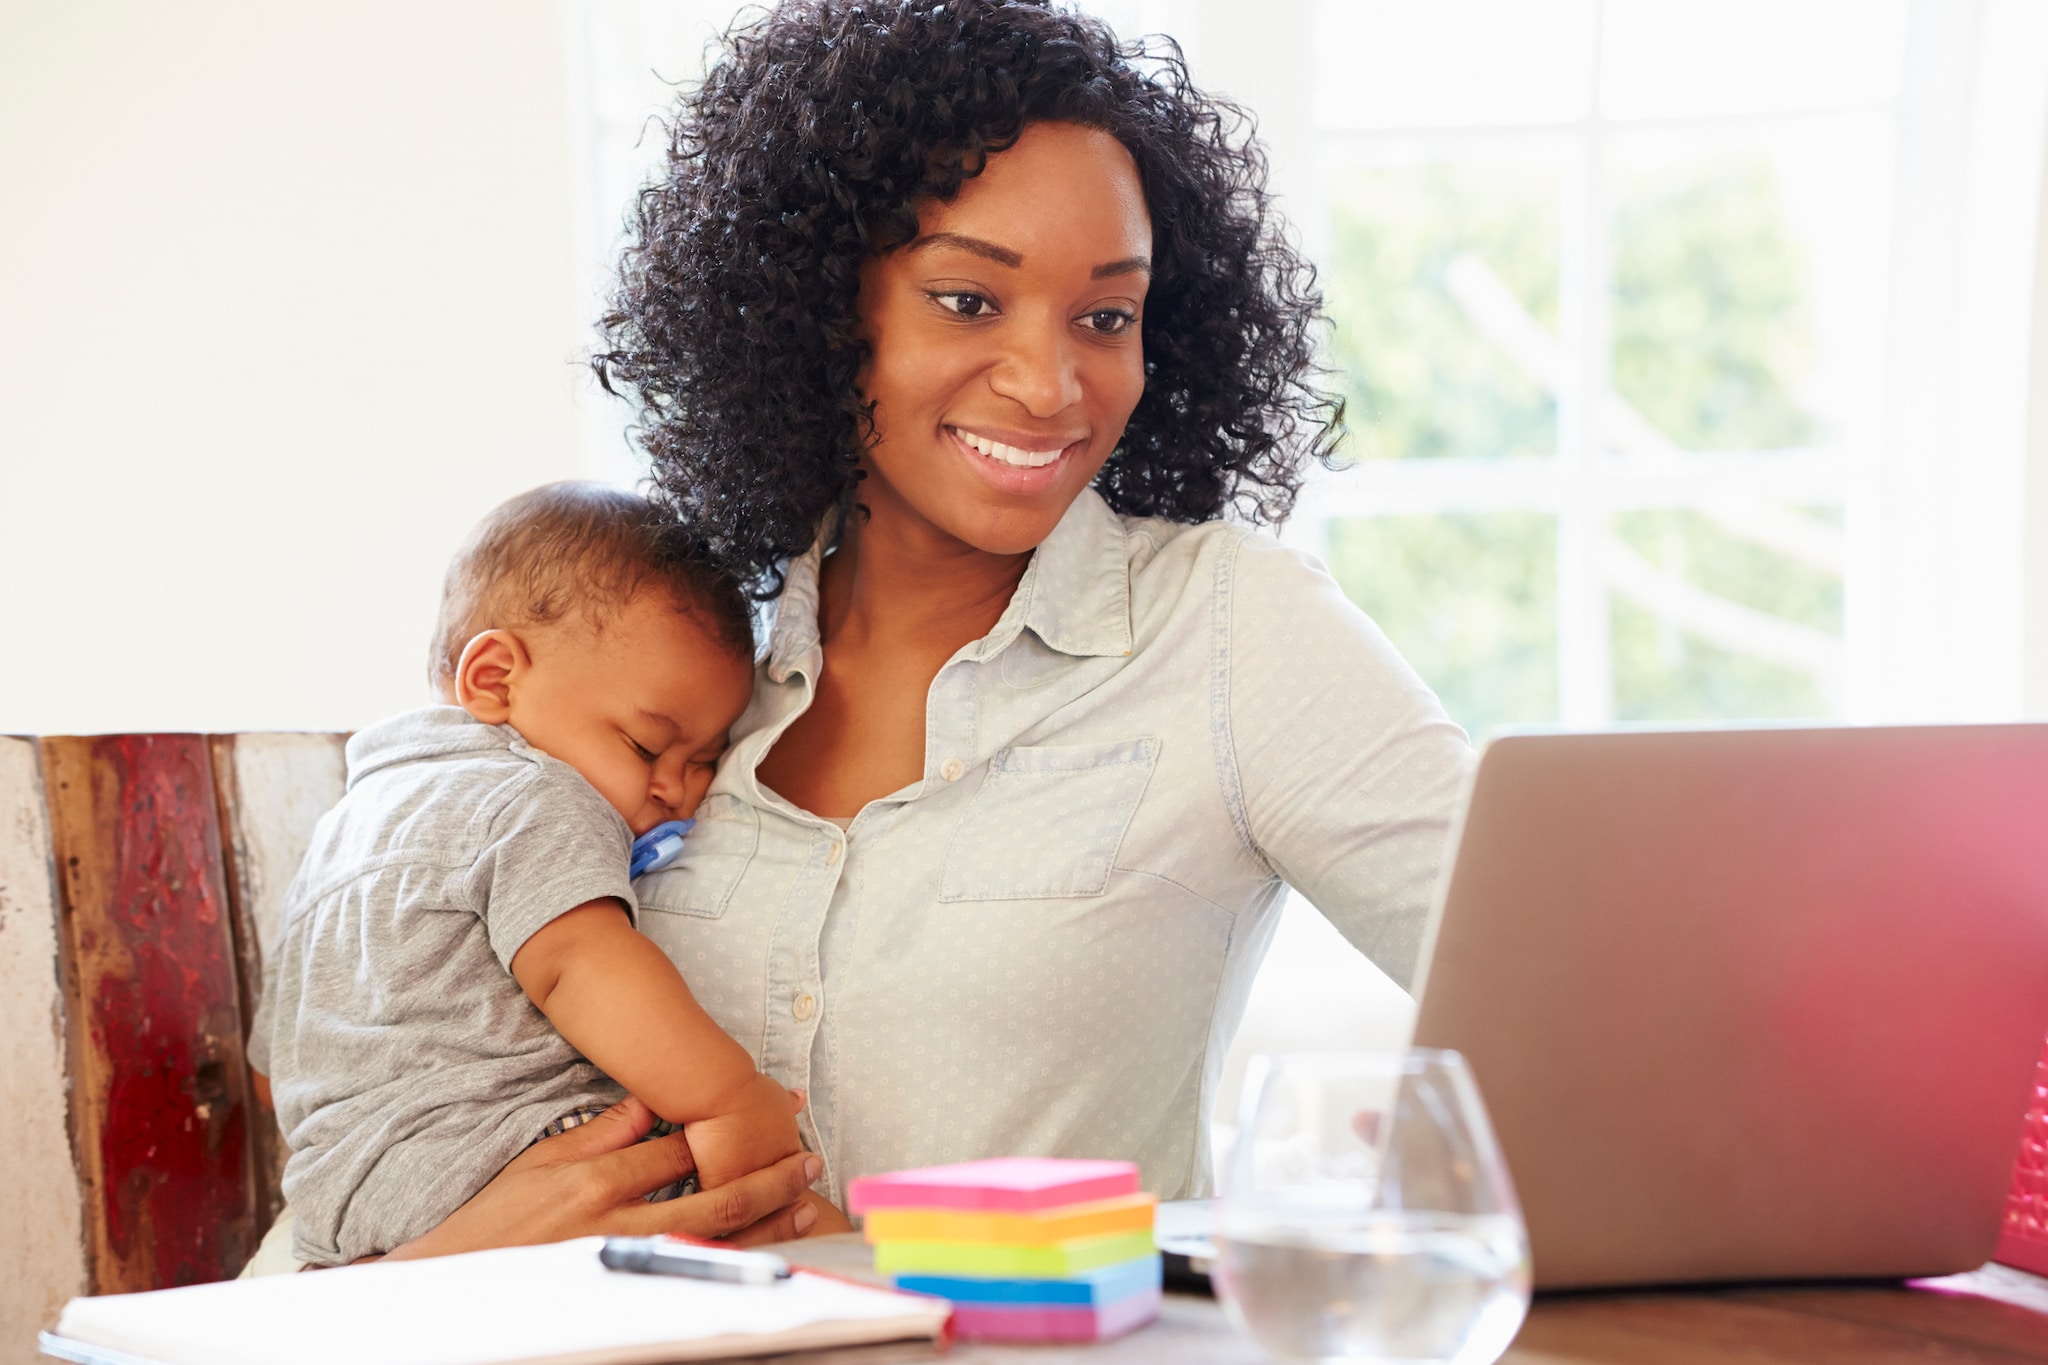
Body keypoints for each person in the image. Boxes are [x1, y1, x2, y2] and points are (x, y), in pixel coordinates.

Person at [310, 0, 1469, 1262]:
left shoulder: (1231, 631)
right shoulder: (670, 654)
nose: (1046, 385)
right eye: (968, 300)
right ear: (819, 307)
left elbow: (1587, 1001)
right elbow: (377, 1077)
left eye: (1104, 316)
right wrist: (423, 1270)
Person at [248, 483, 815, 1265]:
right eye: (649, 747)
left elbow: (272, 1074)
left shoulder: (340, 835)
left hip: (337, 1212)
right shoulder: (534, 791)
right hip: (503, 1163)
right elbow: (578, 965)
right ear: (494, 679)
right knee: (786, 1210)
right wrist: (729, 1096)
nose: (677, 790)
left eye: (703, 762)